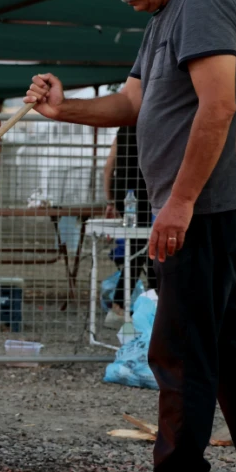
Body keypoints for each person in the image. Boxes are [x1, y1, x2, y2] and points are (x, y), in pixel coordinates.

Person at [24, 0, 236, 472]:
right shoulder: (166, 17)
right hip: (216, 208)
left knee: (182, 348)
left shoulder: (204, 1)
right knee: (230, 346)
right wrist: (64, 110)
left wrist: (181, 201)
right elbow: (132, 104)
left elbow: (220, 104)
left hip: (216, 209)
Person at [102, 125, 157, 329]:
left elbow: (108, 167)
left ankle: (130, 303)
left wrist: (110, 201)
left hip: (123, 191)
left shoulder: (123, 128)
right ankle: (149, 300)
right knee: (147, 245)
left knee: (141, 245)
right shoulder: (154, 122)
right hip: (146, 190)